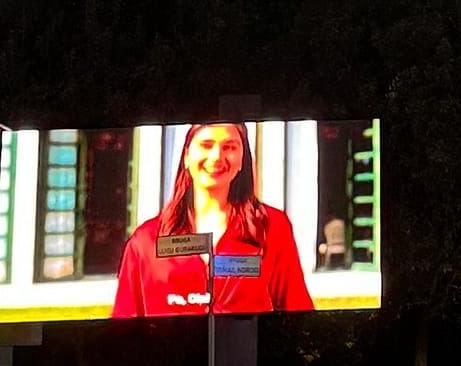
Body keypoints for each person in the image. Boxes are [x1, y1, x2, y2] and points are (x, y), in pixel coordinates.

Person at [113, 123, 314, 317]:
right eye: (206, 145)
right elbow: (124, 326)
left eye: (229, 147)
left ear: (242, 159)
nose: (217, 157)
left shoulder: (270, 228)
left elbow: (297, 311)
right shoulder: (145, 242)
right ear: (186, 156)